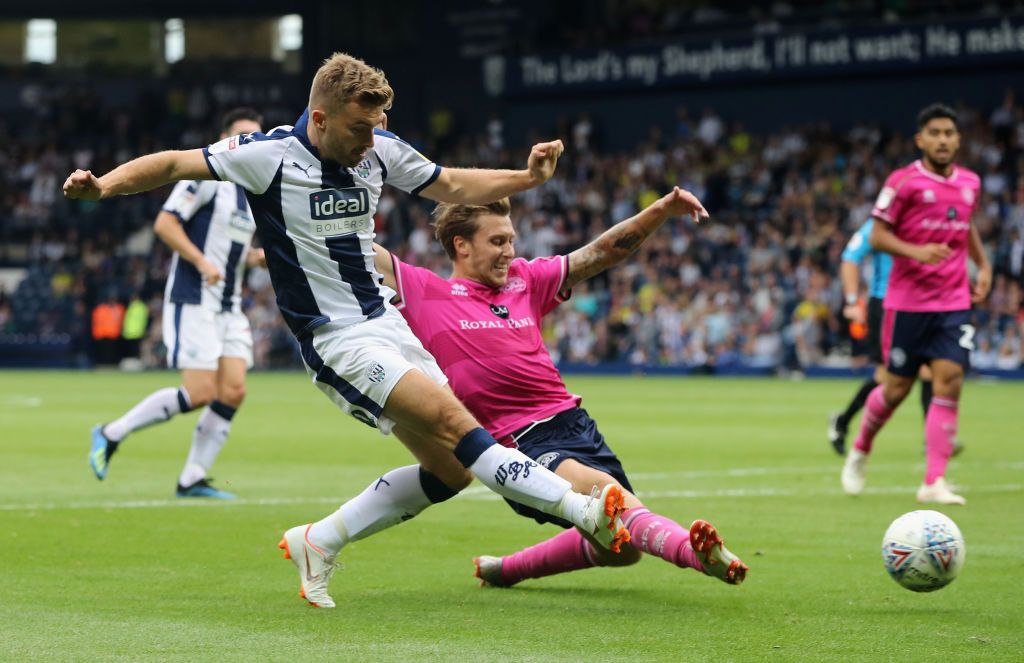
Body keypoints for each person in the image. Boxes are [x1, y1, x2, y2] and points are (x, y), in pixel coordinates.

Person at [64, 52, 627, 609]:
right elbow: (170, 165)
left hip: (386, 321)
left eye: (375, 127)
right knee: (458, 422)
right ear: (320, 119)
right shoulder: (267, 156)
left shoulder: (377, 148)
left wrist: (527, 177)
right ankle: (579, 508)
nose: (368, 141)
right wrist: (104, 187)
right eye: (358, 128)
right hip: (336, 339)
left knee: (452, 469)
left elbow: (451, 184)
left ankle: (319, 540)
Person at [365, 189, 748, 587]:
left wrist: (662, 210)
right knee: (613, 499)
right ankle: (696, 553)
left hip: (575, 426)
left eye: (511, 239)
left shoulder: (526, 281)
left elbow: (602, 252)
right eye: (497, 241)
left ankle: (506, 569)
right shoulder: (426, 292)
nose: (509, 251)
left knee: (621, 549)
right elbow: (353, 244)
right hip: (517, 446)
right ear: (461, 245)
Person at [87, 108, 266, 499]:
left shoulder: (251, 191)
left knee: (233, 391)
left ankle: (192, 479)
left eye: (256, 136)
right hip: (194, 297)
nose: (250, 142)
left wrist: (256, 258)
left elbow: (230, 248)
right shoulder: (205, 178)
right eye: (242, 135)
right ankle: (110, 432)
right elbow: (165, 224)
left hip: (228, 303)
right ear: (224, 139)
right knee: (200, 391)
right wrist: (202, 262)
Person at [840, 103, 992, 505]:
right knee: (895, 390)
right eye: (935, 133)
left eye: (949, 133)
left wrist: (983, 264)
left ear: (958, 139)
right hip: (906, 303)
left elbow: (968, 223)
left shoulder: (970, 182)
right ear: (920, 139)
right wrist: (915, 251)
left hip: (954, 301)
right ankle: (861, 447)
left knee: (949, 381)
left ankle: (934, 480)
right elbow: (876, 236)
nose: (943, 140)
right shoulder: (903, 181)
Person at [828, 219, 964, 458]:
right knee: (885, 378)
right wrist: (851, 301)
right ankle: (843, 420)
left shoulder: (924, 220)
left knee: (928, 372)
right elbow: (850, 258)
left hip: (920, 304)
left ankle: (932, 441)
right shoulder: (879, 224)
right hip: (886, 304)